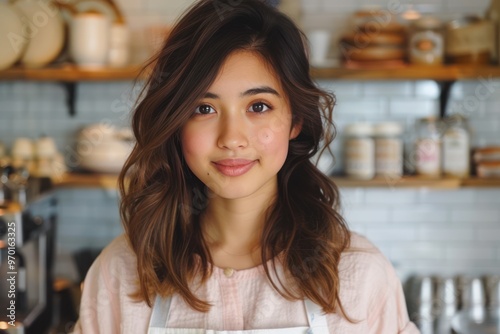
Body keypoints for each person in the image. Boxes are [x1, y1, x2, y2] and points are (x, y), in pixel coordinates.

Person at [73, 0, 420, 333]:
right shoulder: (120, 272)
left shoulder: (359, 274)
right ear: (175, 123)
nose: (232, 138)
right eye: (203, 109)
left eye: (258, 106)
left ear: (295, 119)